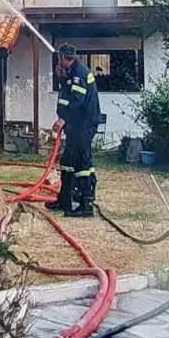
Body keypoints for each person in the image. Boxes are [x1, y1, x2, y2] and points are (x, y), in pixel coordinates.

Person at [45, 44, 102, 217]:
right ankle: (64, 200)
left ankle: (86, 206)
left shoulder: (79, 73)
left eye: (59, 59)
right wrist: (62, 79)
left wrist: (64, 119)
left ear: (62, 58)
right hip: (75, 126)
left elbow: (77, 100)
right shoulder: (71, 73)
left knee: (81, 163)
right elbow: (68, 96)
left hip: (83, 126)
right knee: (67, 162)